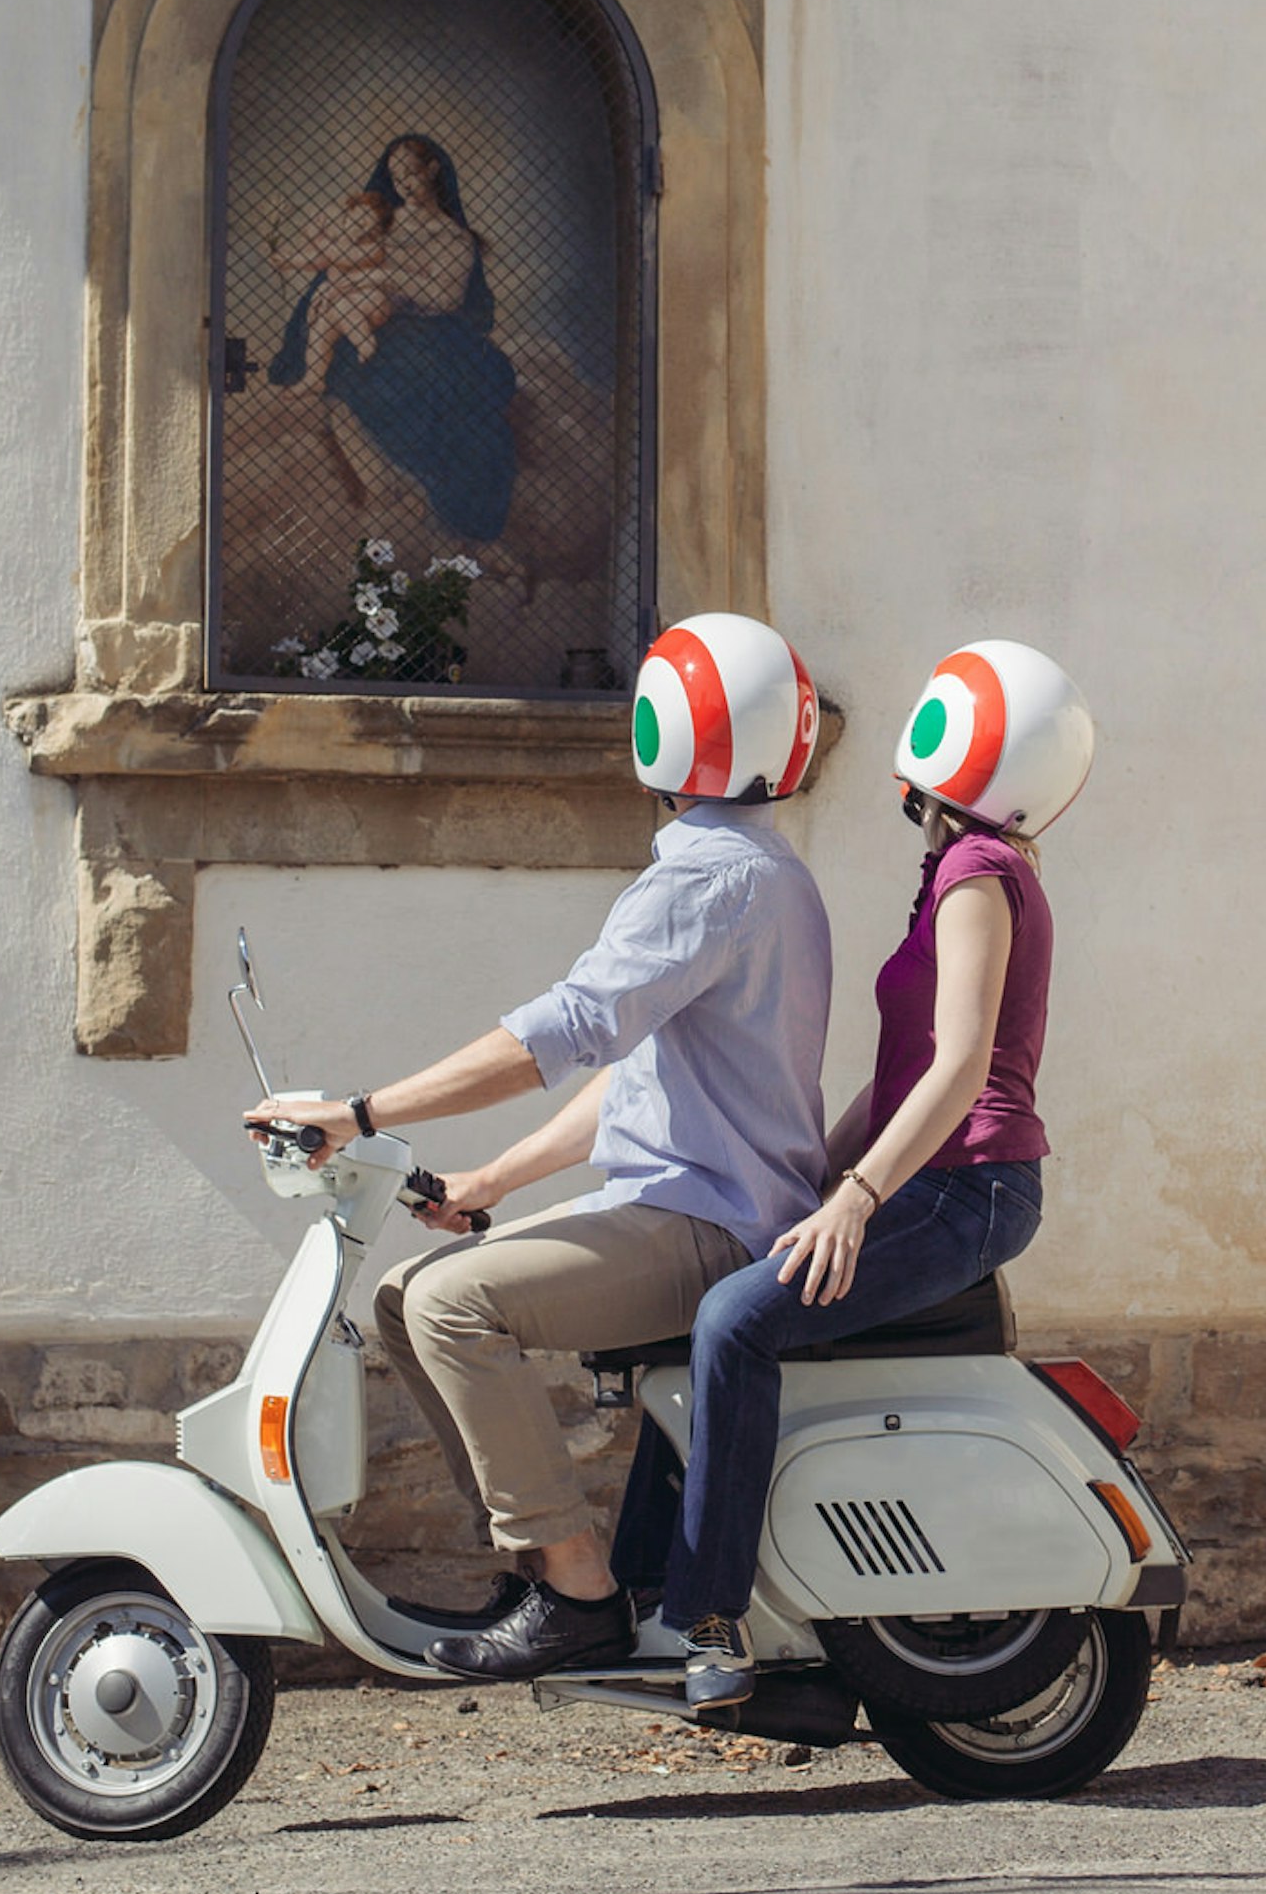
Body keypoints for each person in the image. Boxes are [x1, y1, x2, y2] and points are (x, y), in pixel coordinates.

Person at [245, 611, 830, 1680]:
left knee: (448, 1302)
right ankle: (543, 1570)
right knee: (403, 1295)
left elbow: (560, 1035)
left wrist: (362, 1112)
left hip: (713, 1226)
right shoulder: (754, 867)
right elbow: (636, 1080)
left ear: (660, 731)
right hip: (692, 1206)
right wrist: (488, 1179)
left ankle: (574, 1590)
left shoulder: (705, 876)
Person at [653, 638, 1099, 1714]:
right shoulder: (969, 871)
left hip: (966, 1190)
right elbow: (904, 1081)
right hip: (944, 1178)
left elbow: (957, 1072)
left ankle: (713, 1619)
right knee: (710, 1313)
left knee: (733, 1320)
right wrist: (819, 1177)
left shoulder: (977, 875)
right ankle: (664, 1588)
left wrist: (855, 1197)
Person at [268, 131, 519, 542]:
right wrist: (328, 290)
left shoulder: (453, 238)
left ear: (432, 170)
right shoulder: (383, 220)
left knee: (438, 389)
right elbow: (347, 257)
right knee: (347, 360)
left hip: (429, 329)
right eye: (394, 175)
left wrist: (388, 277)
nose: (401, 183)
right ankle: (379, 488)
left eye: (410, 173)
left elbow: (444, 298)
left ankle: (425, 494)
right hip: (370, 318)